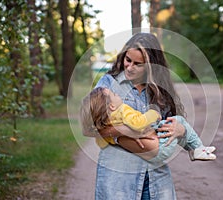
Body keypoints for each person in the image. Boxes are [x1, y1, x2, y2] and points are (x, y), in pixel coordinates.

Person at [83, 32, 210, 200]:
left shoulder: (160, 89)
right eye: (128, 60)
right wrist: (125, 131)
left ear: (152, 65)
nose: (129, 67)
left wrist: (180, 130)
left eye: (138, 64)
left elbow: (166, 127)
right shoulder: (108, 84)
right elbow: (88, 128)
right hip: (118, 178)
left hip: (155, 178)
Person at [80, 86, 216, 163]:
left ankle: (195, 150)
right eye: (114, 94)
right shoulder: (122, 111)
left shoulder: (108, 122)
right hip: (162, 148)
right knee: (179, 120)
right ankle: (197, 148)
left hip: (155, 150)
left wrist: (122, 133)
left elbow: (104, 137)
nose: (117, 94)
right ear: (111, 106)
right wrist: (153, 113)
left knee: (179, 126)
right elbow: (139, 124)